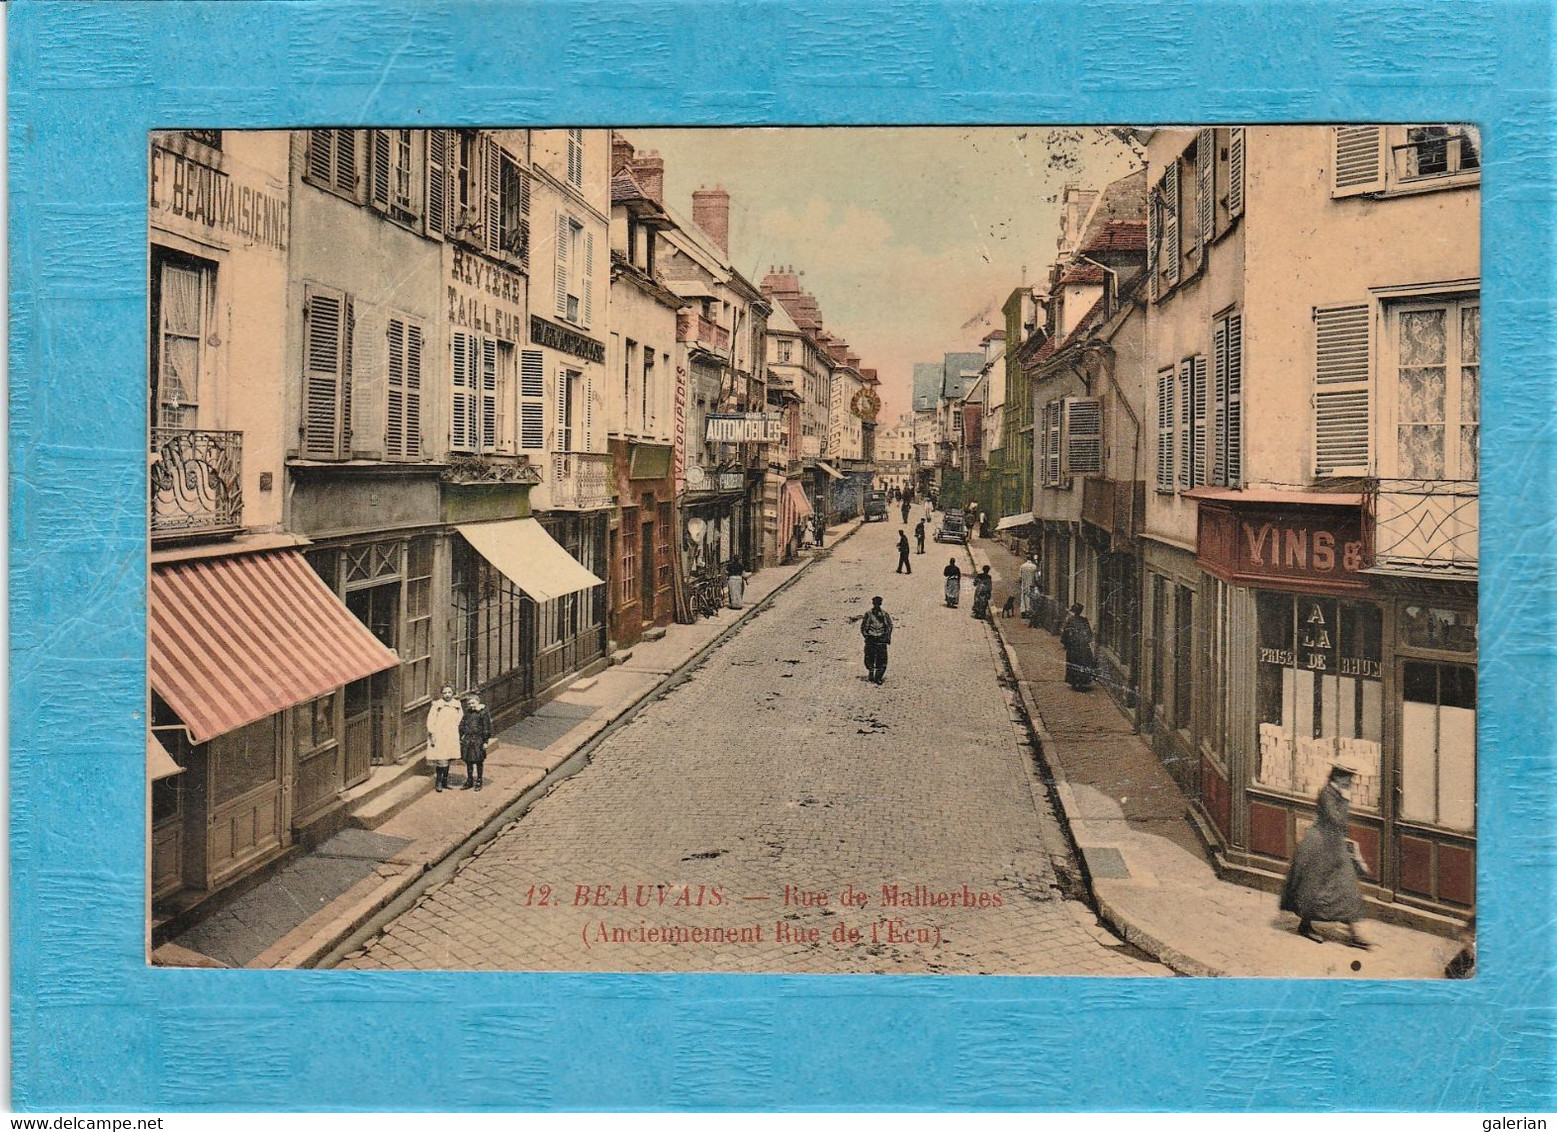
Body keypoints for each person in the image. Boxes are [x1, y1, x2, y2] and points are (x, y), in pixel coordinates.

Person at [1280, 766, 1372, 949]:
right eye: (1348, 778)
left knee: (1346, 887)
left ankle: (1353, 933)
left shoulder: (1337, 793)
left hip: (1334, 845)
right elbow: (1336, 820)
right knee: (1313, 887)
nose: (1350, 782)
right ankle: (1305, 925)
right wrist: (1345, 802)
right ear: (1338, 777)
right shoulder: (1327, 793)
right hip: (1319, 845)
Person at [426, 684, 464, 793]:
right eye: (445, 693)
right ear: (441, 694)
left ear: (453, 693)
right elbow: (431, 719)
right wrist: (432, 732)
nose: (447, 695)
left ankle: (445, 781)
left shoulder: (456, 705)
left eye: (449, 692)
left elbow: (460, 719)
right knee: (441, 758)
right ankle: (438, 781)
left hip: (451, 734)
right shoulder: (437, 705)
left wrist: (458, 730)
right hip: (440, 735)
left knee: (448, 758)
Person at [459, 693, 493, 791]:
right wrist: (461, 735)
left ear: (478, 702)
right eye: (469, 704)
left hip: (478, 740)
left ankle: (479, 780)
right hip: (468, 739)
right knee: (468, 761)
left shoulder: (483, 713)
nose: (471, 705)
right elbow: (462, 724)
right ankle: (469, 780)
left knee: (478, 761)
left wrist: (485, 741)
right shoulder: (468, 713)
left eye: (473, 703)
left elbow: (487, 728)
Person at [1060, 603, 1097, 691]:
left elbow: (1065, 633)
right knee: (1082, 663)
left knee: (1073, 663)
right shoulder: (1084, 620)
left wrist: (1065, 643)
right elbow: (1089, 634)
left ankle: (1074, 682)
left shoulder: (1070, 620)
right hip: (1083, 647)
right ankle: (1081, 682)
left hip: (1073, 647)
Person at [860, 595, 894, 684]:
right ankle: (871, 672)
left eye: (878, 604)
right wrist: (866, 636)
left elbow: (889, 626)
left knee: (882, 659)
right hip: (871, 639)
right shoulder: (868, 614)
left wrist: (886, 637)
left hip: (881, 639)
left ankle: (878, 677)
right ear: (873, 604)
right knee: (869, 657)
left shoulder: (885, 614)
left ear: (881, 604)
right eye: (875, 604)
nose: (877, 606)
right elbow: (863, 626)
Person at [1018, 554, 1039, 620]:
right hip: (1031, 584)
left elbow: (1020, 577)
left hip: (1024, 584)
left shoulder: (1022, 566)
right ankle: (1029, 611)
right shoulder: (1034, 566)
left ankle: (1023, 611)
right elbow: (1036, 578)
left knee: (1023, 597)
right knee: (1030, 598)